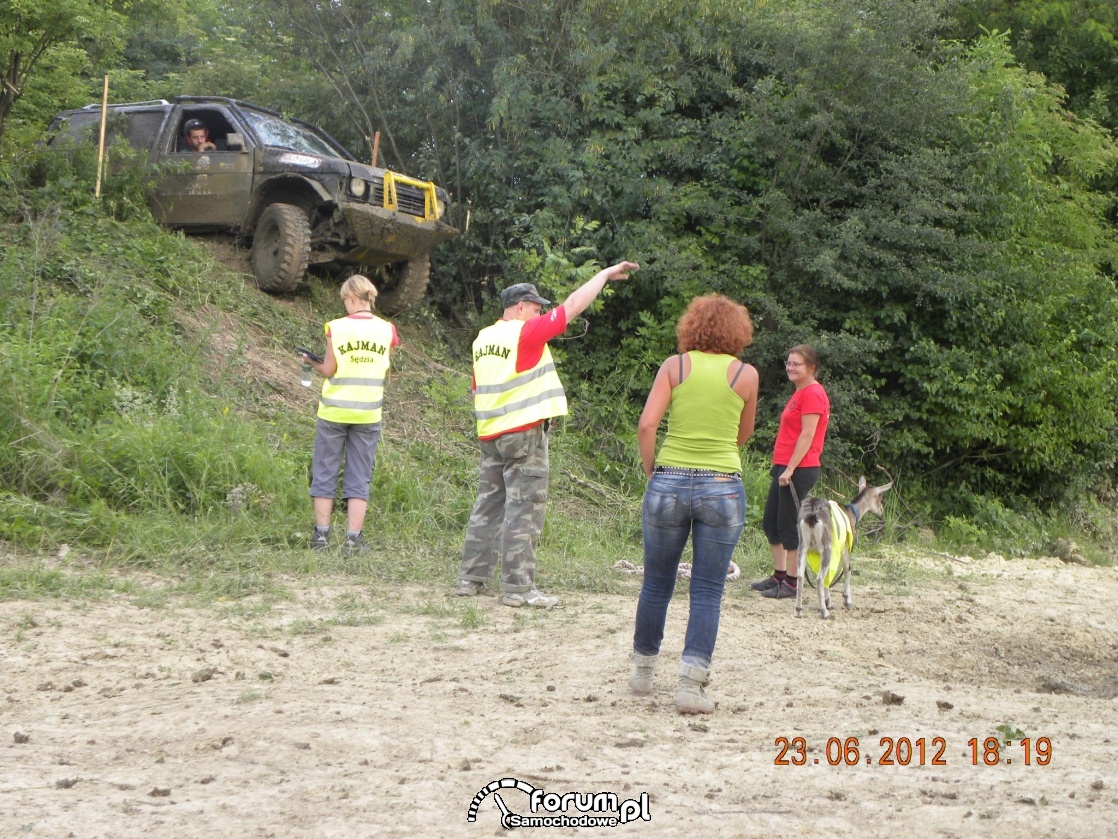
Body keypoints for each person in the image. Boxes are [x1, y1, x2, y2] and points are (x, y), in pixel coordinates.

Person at [457, 260, 640, 608]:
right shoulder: (524, 333)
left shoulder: (483, 339)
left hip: (490, 434)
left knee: (487, 507)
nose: (541, 312)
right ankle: (518, 588)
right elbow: (572, 306)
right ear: (520, 307)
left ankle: (471, 579)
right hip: (524, 436)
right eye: (536, 307)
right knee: (524, 509)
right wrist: (602, 275)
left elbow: (477, 388)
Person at [629, 294, 758, 715]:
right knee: (706, 590)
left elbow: (647, 424)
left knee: (656, 583)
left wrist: (655, 471)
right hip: (722, 486)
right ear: (737, 333)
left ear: (692, 327)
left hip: (667, 480)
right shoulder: (746, 374)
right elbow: (743, 433)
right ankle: (690, 684)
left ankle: (643, 673)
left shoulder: (674, 366)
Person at [302, 275, 399, 555]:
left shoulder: (336, 327)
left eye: (345, 300)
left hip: (334, 410)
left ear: (352, 298)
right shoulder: (387, 329)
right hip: (368, 413)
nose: (344, 304)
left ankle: (321, 536)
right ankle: (353, 539)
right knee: (360, 475)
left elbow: (329, 369)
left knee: (325, 470)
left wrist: (310, 362)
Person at [751, 344, 831, 599]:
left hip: (799, 468)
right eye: (789, 362)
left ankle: (793, 583)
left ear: (812, 368)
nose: (790, 367)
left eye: (797, 363)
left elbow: (808, 435)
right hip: (786, 466)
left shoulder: (813, 393)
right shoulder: (800, 392)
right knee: (771, 523)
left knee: (788, 525)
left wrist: (791, 468)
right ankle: (779, 575)